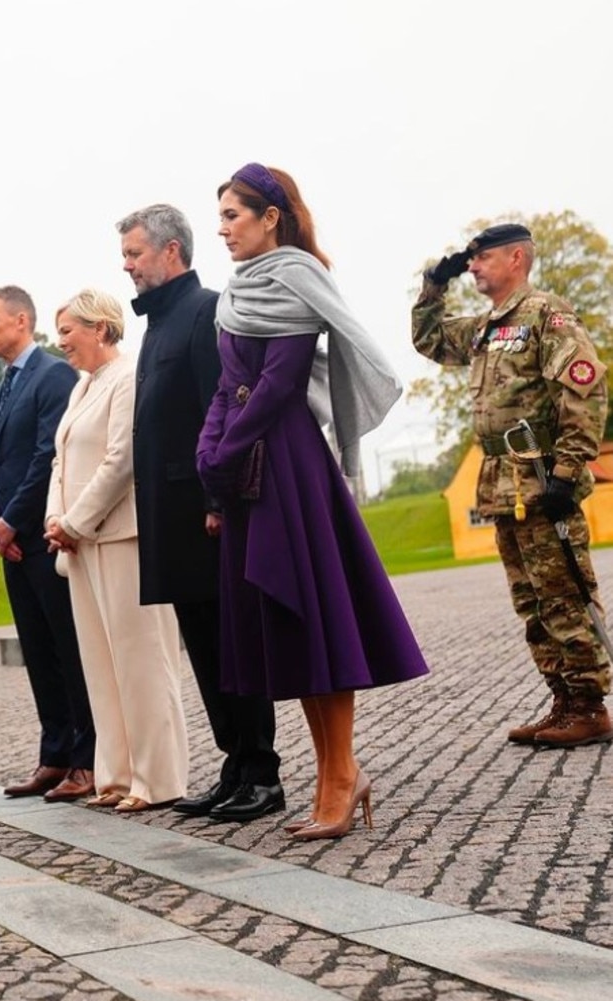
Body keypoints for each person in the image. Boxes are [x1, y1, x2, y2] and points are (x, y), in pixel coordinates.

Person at [196, 162, 430, 841]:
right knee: (288, 628)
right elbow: (227, 385)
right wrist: (208, 451)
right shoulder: (233, 295)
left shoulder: (298, 277)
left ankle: (340, 773)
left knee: (314, 618)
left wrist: (228, 445)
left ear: (271, 217)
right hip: (248, 472)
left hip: (290, 468)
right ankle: (336, 772)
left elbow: (277, 386)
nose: (223, 229)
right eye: (220, 217)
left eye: (233, 215)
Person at [412, 223, 612, 748]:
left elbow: (584, 391)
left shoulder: (548, 316)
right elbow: (430, 339)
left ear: (517, 258)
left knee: (563, 593)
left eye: (482, 258)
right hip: (501, 482)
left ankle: (590, 705)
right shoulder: (485, 327)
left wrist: (569, 472)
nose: (473, 266)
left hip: (544, 477)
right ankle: (563, 699)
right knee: (530, 600)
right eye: (470, 260)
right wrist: (435, 285)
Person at [116, 203, 283, 822]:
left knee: (231, 643)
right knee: (204, 647)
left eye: (135, 253)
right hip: (172, 514)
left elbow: (229, 407)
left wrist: (219, 500)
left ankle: (263, 772)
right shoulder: (159, 322)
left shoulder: (207, 309)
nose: (127, 264)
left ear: (171, 252)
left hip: (205, 514)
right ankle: (235, 764)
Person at [44, 289, 189, 812]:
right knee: (102, 665)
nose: (60, 342)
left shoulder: (128, 377)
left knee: (141, 661)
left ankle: (159, 779)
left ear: (100, 329)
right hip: (80, 546)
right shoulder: (81, 387)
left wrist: (76, 522)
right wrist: (55, 522)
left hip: (123, 538)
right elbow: (60, 461)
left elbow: (121, 458)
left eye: (67, 330)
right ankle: (118, 776)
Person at [0, 285, 95, 800]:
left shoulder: (52, 375)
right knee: (37, 652)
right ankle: (55, 756)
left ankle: (87, 762)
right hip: (12, 543)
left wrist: (15, 520)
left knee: (67, 649)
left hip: (44, 538)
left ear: (21, 321)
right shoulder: (1, 385)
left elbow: (48, 456)